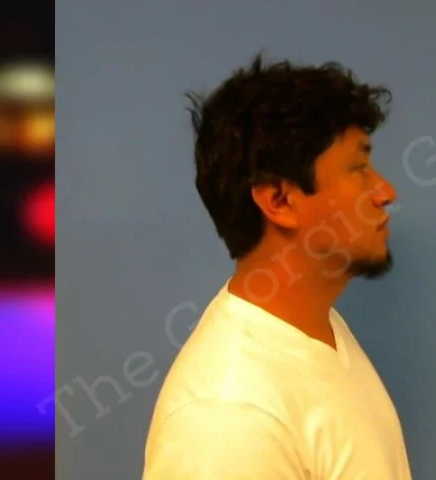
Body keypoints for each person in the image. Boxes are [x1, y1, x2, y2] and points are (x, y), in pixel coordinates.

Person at [142, 53, 412, 479]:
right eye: (358, 168)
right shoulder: (228, 417)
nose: (386, 191)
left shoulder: (321, 331)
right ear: (280, 201)